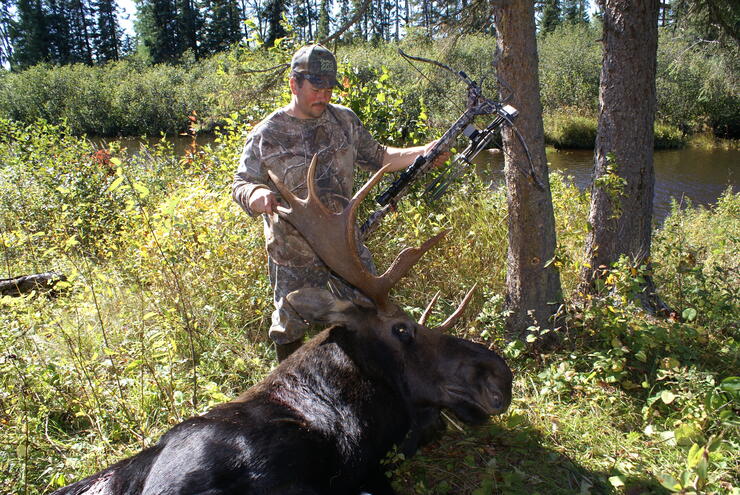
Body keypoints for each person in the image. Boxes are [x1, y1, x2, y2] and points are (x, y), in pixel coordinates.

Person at [232, 44, 446, 361]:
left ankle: (372, 380)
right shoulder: (267, 133)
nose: (324, 95)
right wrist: (254, 195)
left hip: (345, 247)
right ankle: (288, 392)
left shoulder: (344, 120)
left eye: (329, 87)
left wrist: (424, 152)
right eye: (316, 87)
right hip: (293, 253)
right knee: (290, 327)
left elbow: (381, 156)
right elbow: (241, 182)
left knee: (371, 312)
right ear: (294, 84)